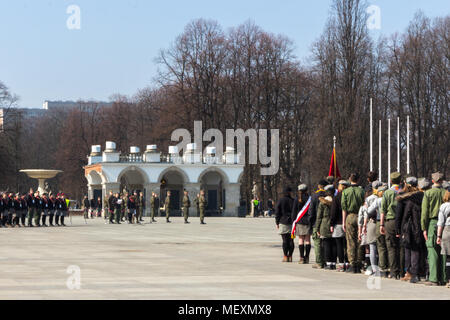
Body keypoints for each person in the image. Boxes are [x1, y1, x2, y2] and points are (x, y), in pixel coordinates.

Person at [394, 177, 425, 283]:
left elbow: (399, 215)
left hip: (407, 227)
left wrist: (397, 229)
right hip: (420, 226)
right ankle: (418, 272)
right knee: (417, 250)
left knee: (408, 250)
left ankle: (409, 273)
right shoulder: (422, 196)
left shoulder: (403, 198)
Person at [421, 172, 446, 286]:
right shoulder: (446, 192)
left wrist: (424, 227)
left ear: (432, 181)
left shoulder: (428, 193)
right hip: (446, 223)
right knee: (444, 251)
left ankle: (434, 278)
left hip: (432, 222)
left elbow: (424, 212)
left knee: (432, 250)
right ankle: (444, 277)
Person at [342, 173, 365, 273]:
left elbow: (344, 208)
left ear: (350, 179)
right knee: (359, 239)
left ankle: (352, 263)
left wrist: (343, 221)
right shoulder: (362, 191)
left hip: (350, 216)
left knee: (350, 241)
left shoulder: (346, 192)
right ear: (358, 179)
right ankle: (359, 263)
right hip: (360, 215)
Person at [361, 181, 382, 275]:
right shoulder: (382, 197)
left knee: (372, 247)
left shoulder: (369, 199)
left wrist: (364, 225)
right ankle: (382, 267)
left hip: (372, 222)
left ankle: (374, 268)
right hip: (382, 223)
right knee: (381, 247)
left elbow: (366, 213)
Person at [331, 180, 349, 272]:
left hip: (338, 224)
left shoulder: (337, 197)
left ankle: (341, 264)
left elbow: (333, 212)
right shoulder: (349, 196)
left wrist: (331, 223)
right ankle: (348, 263)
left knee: (339, 245)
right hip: (348, 222)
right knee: (347, 244)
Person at [309, 179, 327, 269]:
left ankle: (319, 262)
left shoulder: (314, 196)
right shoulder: (328, 195)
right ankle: (327, 261)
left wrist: (311, 222)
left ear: (318, 186)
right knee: (326, 243)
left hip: (316, 222)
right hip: (327, 222)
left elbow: (311, 211)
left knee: (317, 243)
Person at [316, 185, 335, 270]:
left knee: (326, 244)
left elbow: (319, 217)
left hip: (324, 224)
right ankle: (334, 263)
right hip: (334, 224)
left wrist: (317, 228)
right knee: (334, 244)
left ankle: (328, 263)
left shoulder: (322, 202)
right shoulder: (336, 200)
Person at [291, 184, 311, 264]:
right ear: (306, 190)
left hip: (300, 221)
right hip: (308, 221)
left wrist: (293, 221)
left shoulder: (296, 199)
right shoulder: (310, 199)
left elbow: (294, 212)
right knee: (308, 240)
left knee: (300, 240)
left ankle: (301, 257)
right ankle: (307, 257)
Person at [275, 186, 295, 262]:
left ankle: (285, 256)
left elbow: (277, 212)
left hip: (283, 222)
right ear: (290, 192)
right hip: (292, 223)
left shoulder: (280, 201)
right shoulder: (293, 201)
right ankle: (290, 256)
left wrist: (277, 222)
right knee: (291, 240)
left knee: (284, 240)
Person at [436, 187, 450, 288]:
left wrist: (438, 236)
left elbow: (440, 223)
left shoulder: (444, 206)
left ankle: (449, 280)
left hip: (447, 230)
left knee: (448, 258)